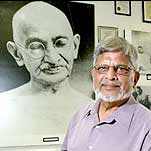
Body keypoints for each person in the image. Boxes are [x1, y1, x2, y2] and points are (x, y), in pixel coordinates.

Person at [0, 1, 92, 147]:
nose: (53, 58)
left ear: (75, 46)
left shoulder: (93, 109)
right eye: (36, 46)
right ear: (17, 54)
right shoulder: (3, 105)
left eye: (60, 43)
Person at [62, 37, 151, 151]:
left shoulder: (147, 126)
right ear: (94, 75)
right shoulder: (79, 116)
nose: (110, 76)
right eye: (103, 68)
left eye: (121, 69)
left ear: (135, 79)